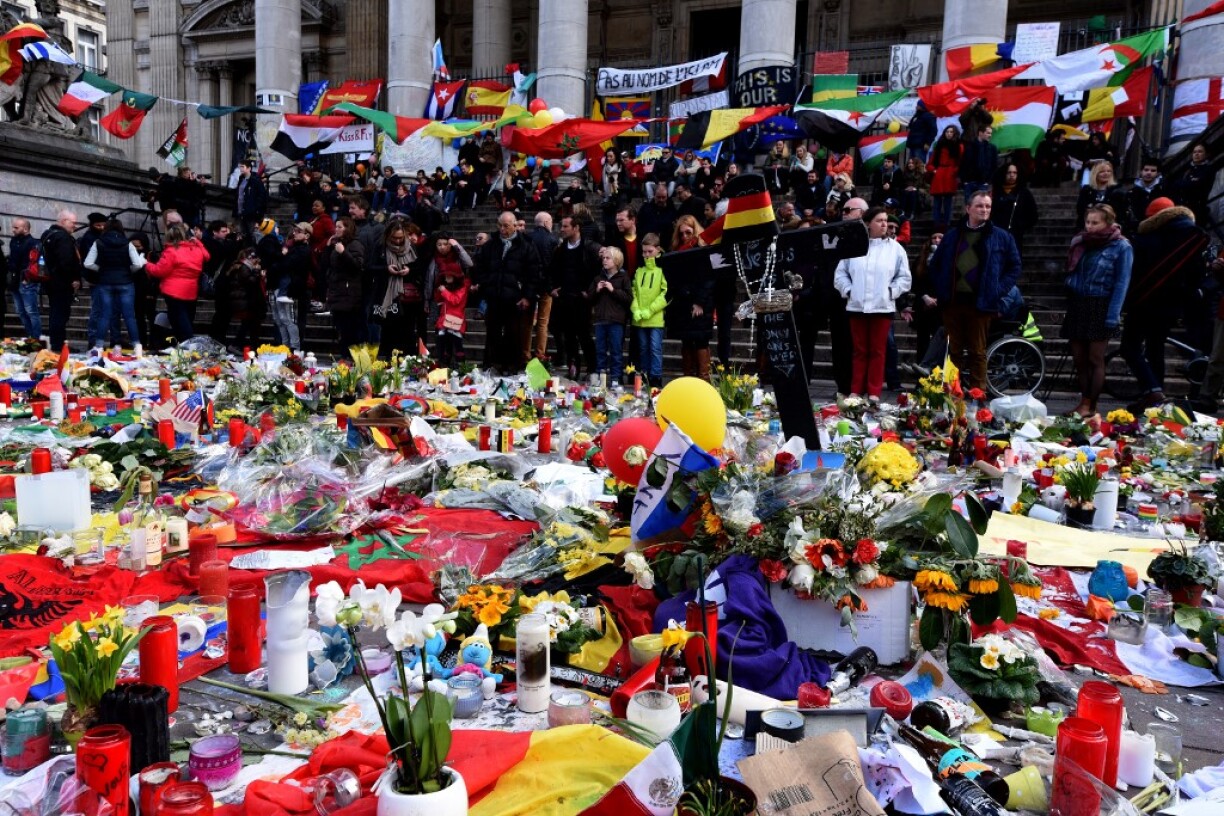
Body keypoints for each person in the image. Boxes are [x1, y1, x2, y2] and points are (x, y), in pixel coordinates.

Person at [927, 190, 1022, 391]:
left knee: (978, 351)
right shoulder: (953, 235)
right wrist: (941, 288)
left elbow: (1014, 267)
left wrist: (998, 289)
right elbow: (935, 265)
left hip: (982, 303)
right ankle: (952, 393)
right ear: (968, 208)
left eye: (988, 206)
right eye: (980, 205)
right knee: (954, 351)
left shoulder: (1001, 236)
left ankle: (978, 395)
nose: (984, 210)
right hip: (953, 302)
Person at [1122, 197, 1211, 411]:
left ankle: (1153, 391)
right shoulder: (1192, 237)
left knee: (1130, 346)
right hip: (1172, 302)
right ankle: (1156, 395)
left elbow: (1136, 270)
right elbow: (1196, 273)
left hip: (1144, 300)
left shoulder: (1148, 237)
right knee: (1155, 347)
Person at [1062, 204, 1132, 418]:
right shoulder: (1081, 242)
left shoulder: (1121, 246)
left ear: (1108, 223)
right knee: (1079, 358)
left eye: (1095, 222)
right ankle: (1084, 401)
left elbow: (1122, 282)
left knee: (1095, 358)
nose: (1090, 227)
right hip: (1079, 302)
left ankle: (1090, 405)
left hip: (1101, 303)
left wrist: (1113, 315)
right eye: (1088, 222)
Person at [834, 207, 911, 400]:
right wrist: (849, 290)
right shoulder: (854, 245)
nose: (885, 224)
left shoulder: (895, 249)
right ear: (868, 223)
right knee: (859, 351)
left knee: (878, 351)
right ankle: (855, 390)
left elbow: (904, 277)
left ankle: (874, 392)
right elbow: (840, 273)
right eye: (879, 220)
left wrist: (891, 292)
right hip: (857, 306)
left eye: (886, 220)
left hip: (882, 307)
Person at [473, 211, 543, 372]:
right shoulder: (491, 245)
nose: (502, 229)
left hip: (515, 298)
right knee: (493, 332)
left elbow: (534, 273)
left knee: (514, 333)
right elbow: (480, 267)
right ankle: (492, 364)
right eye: (500, 225)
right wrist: (486, 286)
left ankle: (512, 366)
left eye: (506, 226)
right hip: (494, 295)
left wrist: (527, 296)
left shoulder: (526, 245)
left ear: (514, 226)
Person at [548, 215, 600, 378]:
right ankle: (573, 367)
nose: (562, 229)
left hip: (582, 300)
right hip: (565, 299)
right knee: (569, 336)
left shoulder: (590, 247)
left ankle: (592, 369)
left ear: (576, 228)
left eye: (565, 226)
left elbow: (598, 271)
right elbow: (552, 271)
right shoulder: (561, 249)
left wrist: (589, 291)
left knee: (584, 335)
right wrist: (553, 289)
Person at [83, 219, 145, 348]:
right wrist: (128, 271)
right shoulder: (128, 244)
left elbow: (87, 263)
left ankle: (99, 346)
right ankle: (137, 345)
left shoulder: (98, 242)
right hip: (126, 282)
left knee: (105, 315)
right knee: (129, 317)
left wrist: (100, 269)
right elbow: (138, 264)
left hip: (105, 282)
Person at [145, 224, 209, 343]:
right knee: (186, 319)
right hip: (191, 290)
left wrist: (146, 264)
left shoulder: (171, 251)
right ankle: (183, 345)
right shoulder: (196, 249)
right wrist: (198, 243)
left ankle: (187, 346)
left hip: (173, 290)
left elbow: (159, 271)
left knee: (179, 320)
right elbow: (207, 256)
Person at [374, 219, 428, 360]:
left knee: (408, 331)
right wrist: (387, 269)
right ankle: (388, 361)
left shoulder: (411, 247)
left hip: (408, 297)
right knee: (389, 330)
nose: (398, 241)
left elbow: (420, 268)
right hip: (389, 294)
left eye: (400, 238)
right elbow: (370, 267)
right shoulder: (381, 247)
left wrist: (408, 270)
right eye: (394, 238)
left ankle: (406, 361)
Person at [323, 217, 367, 352]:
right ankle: (344, 356)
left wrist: (343, 253)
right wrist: (328, 248)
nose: (336, 229)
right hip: (337, 292)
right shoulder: (337, 244)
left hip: (349, 294)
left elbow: (357, 265)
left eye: (340, 227)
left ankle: (350, 356)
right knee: (341, 327)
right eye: (336, 226)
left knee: (349, 328)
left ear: (348, 229)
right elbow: (327, 266)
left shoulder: (355, 245)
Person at [40, 209, 82, 350]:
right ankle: (58, 346)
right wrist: (74, 279)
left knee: (55, 313)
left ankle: (57, 344)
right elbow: (66, 262)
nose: (74, 226)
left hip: (50, 281)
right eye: (73, 223)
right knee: (61, 314)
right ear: (64, 221)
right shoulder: (63, 238)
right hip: (62, 283)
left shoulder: (47, 235)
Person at [589, 246, 632, 382]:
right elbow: (590, 298)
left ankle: (616, 378)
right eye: (603, 258)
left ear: (616, 260)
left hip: (616, 321)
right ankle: (600, 379)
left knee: (616, 351)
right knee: (600, 351)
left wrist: (613, 290)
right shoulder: (598, 278)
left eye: (608, 258)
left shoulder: (623, 278)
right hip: (601, 319)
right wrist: (597, 290)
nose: (604, 261)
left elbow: (629, 298)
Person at [631, 233, 669, 385]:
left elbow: (665, 293)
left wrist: (650, 310)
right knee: (643, 348)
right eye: (644, 251)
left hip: (655, 317)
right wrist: (636, 309)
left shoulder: (662, 270)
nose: (646, 255)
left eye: (650, 251)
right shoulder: (639, 271)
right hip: (640, 318)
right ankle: (646, 375)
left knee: (655, 348)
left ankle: (656, 376)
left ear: (658, 250)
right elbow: (633, 291)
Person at [270, 222, 312, 349]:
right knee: (281, 320)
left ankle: (295, 349)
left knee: (290, 321)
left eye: (298, 231)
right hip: (285, 287)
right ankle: (285, 346)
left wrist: (277, 264)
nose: (294, 233)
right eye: (294, 230)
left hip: (294, 289)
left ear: (307, 235)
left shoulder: (303, 250)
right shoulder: (293, 247)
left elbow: (287, 264)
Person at [524, 212, 559, 362]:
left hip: (529, 286)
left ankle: (525, 354)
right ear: (545, 222)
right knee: (543, 322)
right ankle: (540, 354)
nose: (551, 225)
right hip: (546, 287)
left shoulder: (526, 238)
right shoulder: (553, 239)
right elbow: (554, 266)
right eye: (551, 222)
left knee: (527, 323)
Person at [990, 163, 1038, 258]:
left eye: (1014, 173)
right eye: (1009, 172)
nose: (1012, 175)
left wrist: (1020, 226)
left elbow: (1033, 215)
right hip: (997, 234)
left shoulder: (1023, 193)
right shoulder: (996, 192)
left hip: (1015, 235)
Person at [434, 246, 470, 368]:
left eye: (449, 276)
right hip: (444, 320)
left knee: (457, 345)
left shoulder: (462, 287)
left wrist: (444, 291)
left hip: (455, 320)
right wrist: (440, 292)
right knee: (445, 345)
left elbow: (455, 300)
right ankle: (445, 365)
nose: (446, 278)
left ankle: (462, 366)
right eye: (445, 276)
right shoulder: (446, 286)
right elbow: (440, 301)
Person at [227, 248, 266, 351]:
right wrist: (257, 272)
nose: (257, 261)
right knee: (251, 326)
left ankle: (241, 345)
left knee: (248, 325)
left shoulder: (244, 267)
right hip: (247, 302)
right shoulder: (245, 268)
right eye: (255, 259)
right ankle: (242, 346)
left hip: (248, 302)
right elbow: (250, 282)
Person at [7, 218, 41, 339]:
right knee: (21, 311)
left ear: (25, 228)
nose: (13, 230)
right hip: (15, 280)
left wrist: (28, 277)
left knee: (31, 311)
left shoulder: (33, 243)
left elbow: (35, 263)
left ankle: (36, 338)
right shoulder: (14, 241)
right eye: (13, 227)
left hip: (27, 280)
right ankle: (31, 336)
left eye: (16, 228)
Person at [1172, 144, 1214, 228]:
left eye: (1200, 151)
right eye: (1194, 152)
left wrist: (1186, 184)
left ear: (1206, 154)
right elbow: (1175, 186)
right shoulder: (1187, 170)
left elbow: (1197, 186)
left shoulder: (1208, 169)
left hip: (1197, 210)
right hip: (1182, 209)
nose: (1196, 154)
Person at [929, 125, 963, 230]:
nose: (949, 133)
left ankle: (946, 223)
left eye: (951, 132)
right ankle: (936, 223)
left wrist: (955, 171)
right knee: (937, 201)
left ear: (955, 133)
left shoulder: (959, 146)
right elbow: (931, 162)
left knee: (948, 201)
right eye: (947, 131)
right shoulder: (939, 145)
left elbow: (961, 161)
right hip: (940, 174)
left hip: (950, 174)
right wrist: (934, 170)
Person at [1122, 158, 1165, 236]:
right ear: (1141, 171)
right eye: (1146, 170)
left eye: (1153, 171)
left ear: (1158, 173)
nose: (1149, 173)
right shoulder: (1131, 191)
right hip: (1135, 230)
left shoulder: (1164, 190)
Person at [1076, 161, 1126, 228]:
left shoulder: (1118, 190)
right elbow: (1080, 210)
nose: (1106, 174)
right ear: (1095, 173)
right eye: (1102, 171)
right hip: (1088, 228)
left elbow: (1121, 212)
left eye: (1109, 171)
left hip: (1111, 228)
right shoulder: (1086, 190)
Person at [959, 125, 998, 202]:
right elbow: (963, 163)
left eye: (991, 133)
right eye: (988, 133)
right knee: (969, 206)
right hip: (970, 182)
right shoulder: (969, 146)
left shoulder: (992, 148)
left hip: (983, 183)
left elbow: (994, 165)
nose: (990, 135)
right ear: (980, 133)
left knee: (981, 205)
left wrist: (988, 181)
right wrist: (965, 181)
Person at [233, 161, 267, 243]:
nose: (240, 168)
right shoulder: (241, 179)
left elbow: (262, 196)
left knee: (252, 235)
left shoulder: (255, 180)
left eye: (242, 166)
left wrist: (256, 209)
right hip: (241, 211)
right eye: (240, 167)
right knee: (241, 234)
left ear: (249, 168)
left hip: (251, 213)